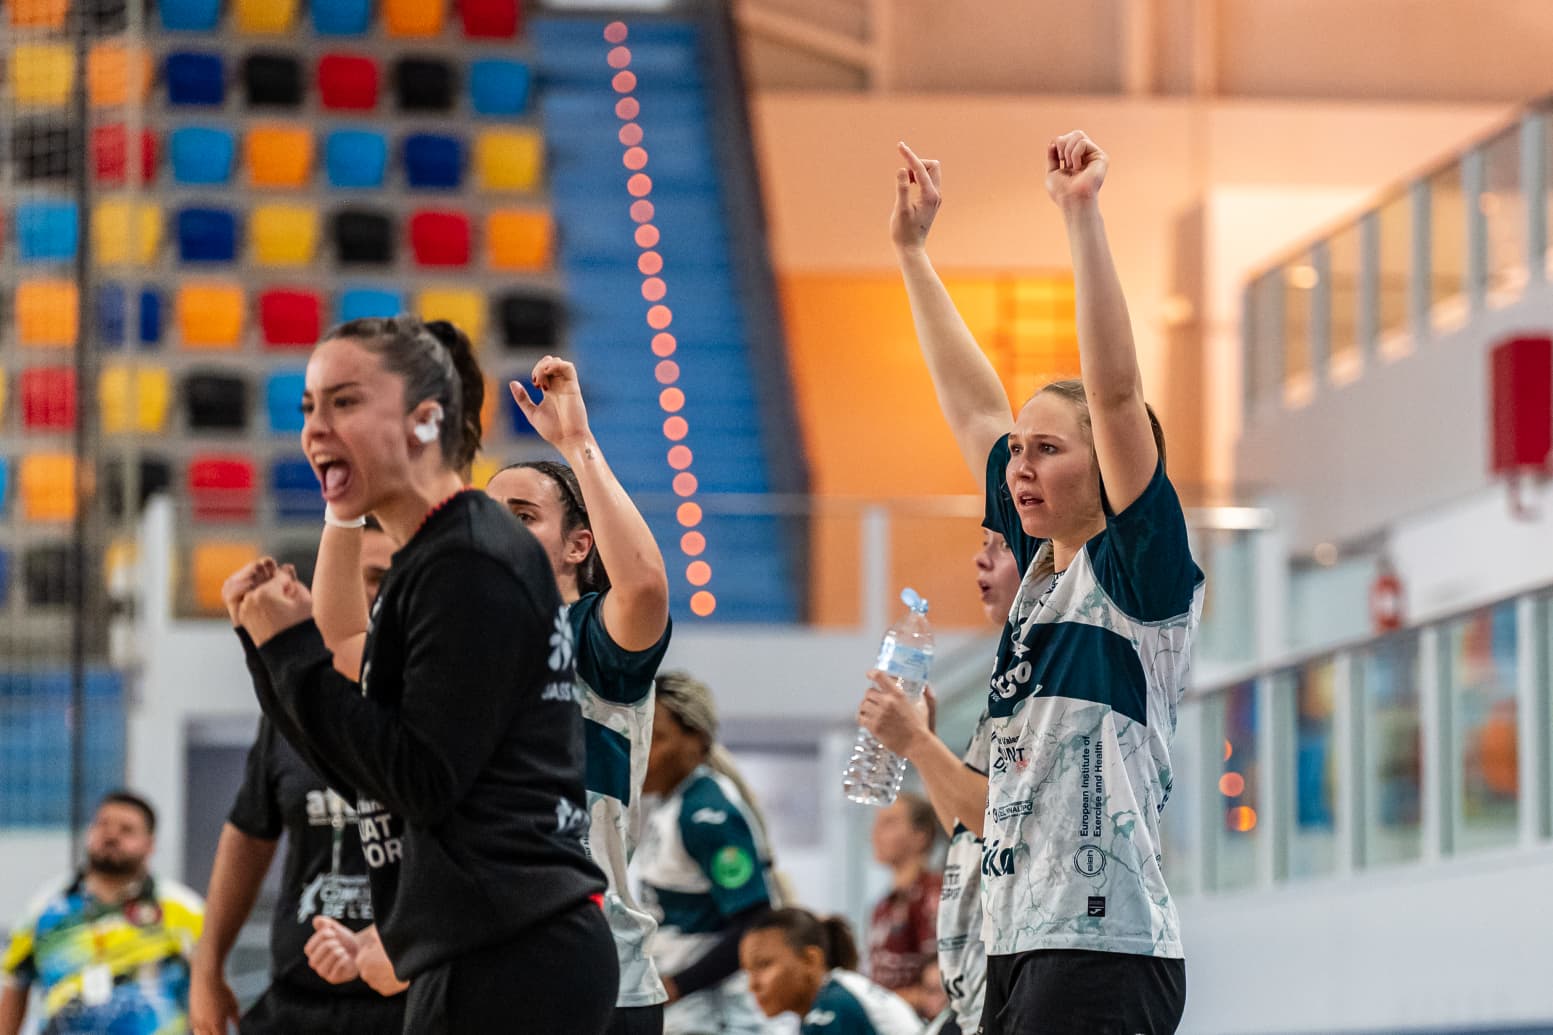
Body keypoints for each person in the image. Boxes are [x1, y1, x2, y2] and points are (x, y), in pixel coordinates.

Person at [876, 134, 1203, 1034]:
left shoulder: (1138, 575)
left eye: (1047, 449)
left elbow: (1117, 385)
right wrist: (911, 253)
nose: (1018, 465)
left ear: (1110, 466)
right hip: (1014, 944)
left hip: (1103, 944)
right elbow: (975, 404)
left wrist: (1080, 214)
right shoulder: (1035, 583)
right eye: (1016, 453)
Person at [225, 315, 618, 1032]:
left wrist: (290, 652)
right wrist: (269, 654)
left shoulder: (467, 560)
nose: (315, 428)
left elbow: (420, 779)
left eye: (344, 402)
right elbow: (364, 773)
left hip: (517, 959)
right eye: (309, 406)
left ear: (424, 419)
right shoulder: (433, 562)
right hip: (476, 953)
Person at [304, 355, 675, 1035]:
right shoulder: (455, 639)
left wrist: (575, 442)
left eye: (524, 514)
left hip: (599, 973)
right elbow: (342, 643)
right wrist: (342, 504)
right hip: (475, 953)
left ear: (576, 546)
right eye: (490, 513)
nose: (501, 528)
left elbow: (645, 587)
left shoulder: (590, 634)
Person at [190, 520, 404, 1035]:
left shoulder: (434, 707)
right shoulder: (295, 712)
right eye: (347, 578)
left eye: (377, 578)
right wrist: (207, 962)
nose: (358, 594)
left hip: (408, 1001)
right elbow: (248, 830)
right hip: (298, 1000)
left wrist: (409, 942)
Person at [863, 531, 1021, 1035]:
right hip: (973, 1003)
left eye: (1001, 545)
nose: (980, 557)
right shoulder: (888, 904)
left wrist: (917, 744)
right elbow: (970, 826)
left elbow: (998, 823)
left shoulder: (927, 894)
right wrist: (923, 741)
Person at [637, 672, 779, 1035]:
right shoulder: (668, 805)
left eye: (657, 738)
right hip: (687, 1014)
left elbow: (754, 920)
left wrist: (676, 985)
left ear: (696, 741)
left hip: (714, 1016)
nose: (642, 751)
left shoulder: (706, 814)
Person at [0, 792, 205, 1035]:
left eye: (126, 829)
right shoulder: (46, 907)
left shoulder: (183, 909)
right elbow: (14, 986)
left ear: (150, 844)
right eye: (102, 824)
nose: (111, 835)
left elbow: (208, 992)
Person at [740, 909, 919, 1035]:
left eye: (763, 965)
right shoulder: (831, 998)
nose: (752, 985)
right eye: (748, 971)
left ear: (810, 960)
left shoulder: (834, 1005)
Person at [864, 793, 939, 1008]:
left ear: (920, 836)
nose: (875, 834)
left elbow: (940, 986)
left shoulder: (931, 896)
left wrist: (874, 1004)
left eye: (889, 823)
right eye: (876, 823)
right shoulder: (883, 905)